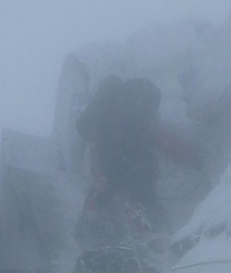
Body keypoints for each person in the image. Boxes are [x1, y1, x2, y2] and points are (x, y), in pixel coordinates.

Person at [76, 75, 200, 223]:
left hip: (109, 164)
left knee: (104, 190)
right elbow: (166, 142)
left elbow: (99, 146)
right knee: (140, 195)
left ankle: (90, 221)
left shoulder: (108, 117)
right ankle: (148, 228)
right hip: (136, 165)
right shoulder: (139, 121)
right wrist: (194, 159)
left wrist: (101, 174)